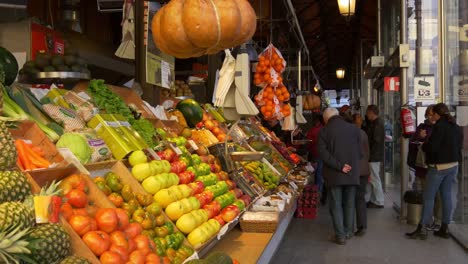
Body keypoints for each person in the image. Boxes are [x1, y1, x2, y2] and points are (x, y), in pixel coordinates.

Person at [406, 103, 463, 240]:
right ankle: (445, 228)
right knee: (446, 196)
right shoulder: (455, 126)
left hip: (438, 166)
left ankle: (423, 228)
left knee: (429, 197)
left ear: (438, 114)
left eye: (434, 114)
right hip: (453, 165)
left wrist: (425, 144)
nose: (432, 117)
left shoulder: (439, 126)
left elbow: (432, 147)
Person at [318, 108, 361, 245]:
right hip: (352, 172)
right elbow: (360, 151)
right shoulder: (354, 129)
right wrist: (349, 165)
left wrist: (339, 166)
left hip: (334, 174)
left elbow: (323, 154)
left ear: (326, 119)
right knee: (349, 204)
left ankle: (340, 236)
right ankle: (348, 232)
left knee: (336, 205)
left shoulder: (324, 131)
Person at [352, 113, 370, 236]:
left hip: (354, 170)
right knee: (360, 198)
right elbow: (367, 152)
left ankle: (348, 226)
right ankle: (362, 225)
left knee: (349, 198)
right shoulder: (364, 133)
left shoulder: (350, 134)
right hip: (364, 169)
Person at [365, 105, 385, 208]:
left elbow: (375, 141)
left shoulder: (377, 124)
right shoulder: (376, 123)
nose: (366, 115)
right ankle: (374, 199)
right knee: (373, 178)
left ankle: (379, 201)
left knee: (374, 178)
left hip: (374, 155)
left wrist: (369, 154)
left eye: (367, 113)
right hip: (374, 155)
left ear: (372, 113)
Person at [306, 114, 324, 197]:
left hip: (315, 153)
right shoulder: (323, 128)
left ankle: (317, 191)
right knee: (319, 173)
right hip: (320, 153)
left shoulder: (314, 130)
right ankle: (318, 190)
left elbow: (309, 141)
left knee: (317, 173)